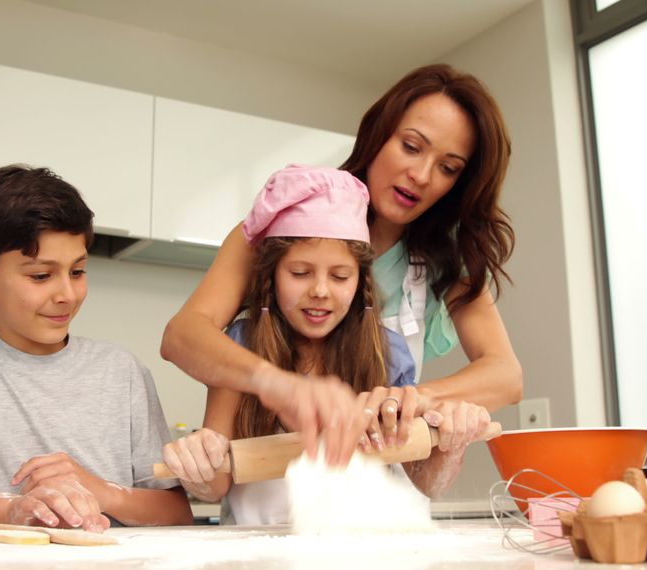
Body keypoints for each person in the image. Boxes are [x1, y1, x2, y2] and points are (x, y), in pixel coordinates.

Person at [160, 64, 523, 466]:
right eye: (411, 146)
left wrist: (412, 398)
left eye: (448, 168)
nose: (421, 175)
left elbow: (506, 376)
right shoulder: (285, 219)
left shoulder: (445, 258)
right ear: (379, 134)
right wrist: (280, 386)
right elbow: (182, 336)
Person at [161, 165, 494, 524]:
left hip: (359, 547)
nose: (319, 291)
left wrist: (451, 444)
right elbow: (217, 481)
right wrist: (199, 463)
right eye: (299, 273)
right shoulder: (240, 348)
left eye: (340, 276)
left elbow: (425, 481)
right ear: (270, 279)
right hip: (259, 552)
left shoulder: (388, 352)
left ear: (361, 282)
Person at [0, 165, 193, 531]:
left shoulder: (122, 371)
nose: (66, 295)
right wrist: (14, 510)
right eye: (41, 276)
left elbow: (176, 513)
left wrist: (101, 491)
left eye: (77, 271)